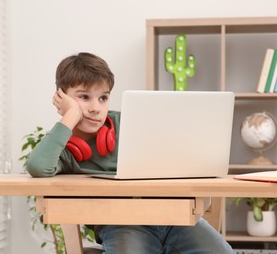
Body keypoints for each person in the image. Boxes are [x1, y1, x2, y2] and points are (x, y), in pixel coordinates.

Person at [26, 52, 233, 253]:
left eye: (103, 98)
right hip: (121, 224)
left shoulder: (129, 122)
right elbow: (37, 165)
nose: (95, 107)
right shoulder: (61, 145)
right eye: (84, 97)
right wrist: (71, 114)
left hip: (174, 218)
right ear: (61, 97)